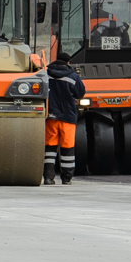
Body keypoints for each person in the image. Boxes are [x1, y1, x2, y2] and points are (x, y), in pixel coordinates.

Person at [45, 51, 84, 184]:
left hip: (50, 116)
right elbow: (80, 93)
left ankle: (48, 177)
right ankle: (67, 178)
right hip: (67, 116)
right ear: (68, 62)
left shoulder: (45, 74)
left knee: (50, 148)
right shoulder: (73, 76)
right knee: (67, 147)